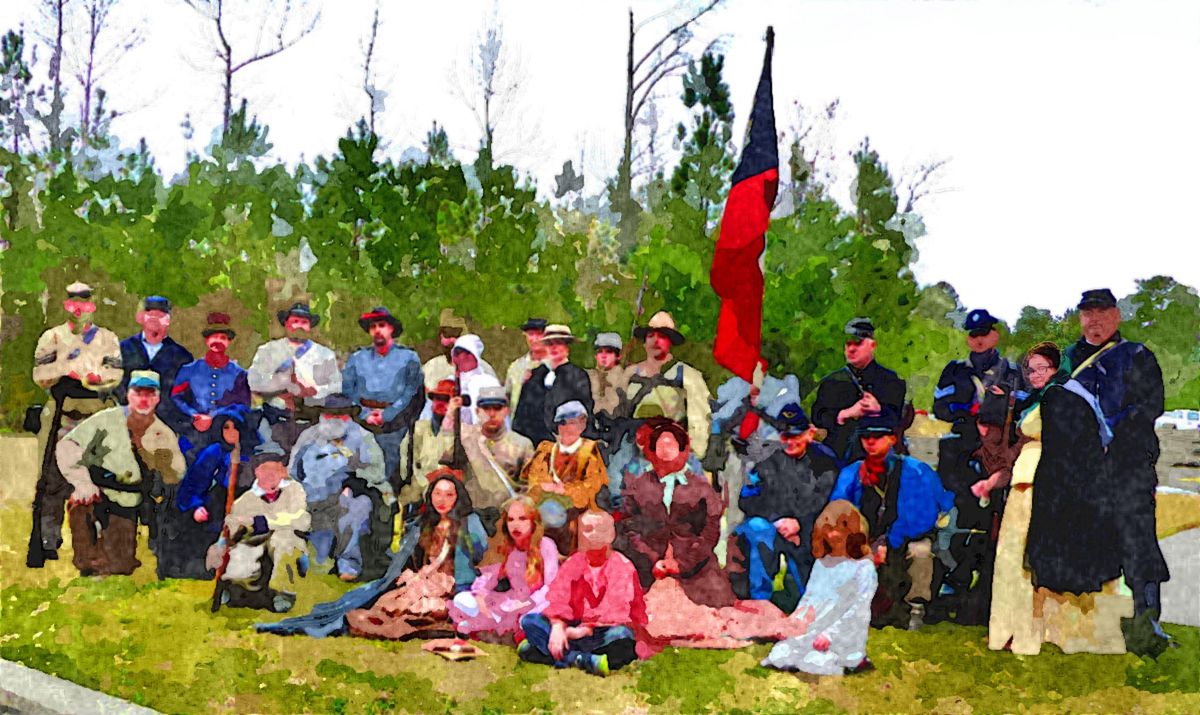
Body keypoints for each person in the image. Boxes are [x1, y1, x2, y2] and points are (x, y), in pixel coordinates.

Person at [990, 342, 1130, 655]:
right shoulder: (1041, 398)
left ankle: (1037, 631)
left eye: (1043, 368)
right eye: (1031, 368)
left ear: (1056, 368)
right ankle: (1017, 628)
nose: (1036, 374)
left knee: (1028, 556)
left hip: (1045, 481)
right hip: (1026, 479)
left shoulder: (1062, 396)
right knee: (1014, 558)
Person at [1064, 288, 1172, 652]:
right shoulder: (1069, 359)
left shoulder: (1137, 356)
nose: (1094, 321)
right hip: (1084, 471)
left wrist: (1111, 433)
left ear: (1116, 316)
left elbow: (1150, 406)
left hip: (1129, 469)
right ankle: (1088, 624)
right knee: (1083, 544)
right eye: (1087, 314)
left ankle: (1146, 624)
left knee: (1138, 546)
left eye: (1101, 313)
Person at [929, 308, 1026, 624]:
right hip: (959, 453)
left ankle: (986, 596)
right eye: (973, 334)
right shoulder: (954, 371)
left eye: (984, 333)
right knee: (954, 523)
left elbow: (1024, 409)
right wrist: (971, 408)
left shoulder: (1012, 372)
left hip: (997, 455)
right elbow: (939, 407)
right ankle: (949, 589)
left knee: (994, 525)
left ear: (995, 335)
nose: (979, 339)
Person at [828, 411, 955, 629]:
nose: (870, 441)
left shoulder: (916, 471)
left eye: (877, 436)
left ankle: (916, 607)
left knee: (921, 552)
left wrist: (887, 541)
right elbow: (837, 511)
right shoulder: (852, 472)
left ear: (893, 439)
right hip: (863, 540)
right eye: (865, 436)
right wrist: (861, 542)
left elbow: (922, 518)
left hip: (906, 538)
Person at [55, 370, 186, 576]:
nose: (143, 399)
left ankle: (110, 554)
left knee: (121, 566)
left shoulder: (163, 434)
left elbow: (176, 475)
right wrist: (82, 483)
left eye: (150, 394)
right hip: (95, 489)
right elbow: (67, 445)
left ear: (158, 398)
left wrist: (162, 461)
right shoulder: (106, 419)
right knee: (80, 504)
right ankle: (88, 560)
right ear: (128, 394)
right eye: (138, 392)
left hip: (128, 499)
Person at [30, 281, 123, 562]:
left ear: (92, 305)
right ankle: (48, 539)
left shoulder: (107, 338)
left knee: (100, 477)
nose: (79, 307)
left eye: (84, 301)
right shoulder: (52, 337)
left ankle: (99, 538)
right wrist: (66, 368)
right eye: (73, 301)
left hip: (96, 411)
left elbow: (115, 373)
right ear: (66, 305)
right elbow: (40, 374)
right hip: (61, 409)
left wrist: (96, 377)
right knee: (51, 480)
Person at [347, 470, 488, 639]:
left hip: (447, 585)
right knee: (388, 602)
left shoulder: (464, 525)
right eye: (437, 494)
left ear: (457, 497)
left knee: (425, 608)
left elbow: (470, 556)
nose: (442, 500)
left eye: (449, 495)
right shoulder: (427, 523)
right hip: (425, 579)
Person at [730, 403, 838, 610]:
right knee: (757, 527)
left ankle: (808, 600)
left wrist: (800, 523)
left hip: (809, 530)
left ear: (810, 433)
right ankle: (759, 602)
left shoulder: (825, 460)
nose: (790, 441)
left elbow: (825, 501)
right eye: (785, 436)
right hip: (773, 527)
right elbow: (747, 499)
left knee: (808, 600)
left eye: (796, 435)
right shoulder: (766, 458)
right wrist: (779, 519)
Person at [617, 419, 734, 608]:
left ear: (682, 449)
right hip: (648, 568)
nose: (665, 449)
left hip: (697, 569)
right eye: (660, 444)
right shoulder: (637, 486)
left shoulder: (701, 488)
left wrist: (682, 564)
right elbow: (630, 527)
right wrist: (653, 559)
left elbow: (710, 531)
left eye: (671, 444)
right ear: (652, 449)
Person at [518, 510, 646, 676]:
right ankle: (579, 659)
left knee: (622, 636)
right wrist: (558, 627)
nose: (593, 534)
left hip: (602, 630)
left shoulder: (622, 565)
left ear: (611, 534)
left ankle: (546, 652)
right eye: (587, 529)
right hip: (572, 627)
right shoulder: (574, 562)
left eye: (599, 529)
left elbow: (615, 611)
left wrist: (581, 631)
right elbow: (558, 598)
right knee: (530, 621)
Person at [762, 501, 878, 676]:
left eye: (838, 533)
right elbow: (810, 597)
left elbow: (858, 608)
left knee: (814, 662)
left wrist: (829, 635)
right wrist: (794, 622)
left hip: (842, 634)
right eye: (828, 531)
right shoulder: (823, 562)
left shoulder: (863, 568)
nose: (832, 536)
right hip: (814, 627)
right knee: (780, 655)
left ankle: (853, 660)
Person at [290, 395, 393, 581]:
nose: (335, 419)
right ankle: (316, 559)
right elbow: (292, 471)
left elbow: (377, 472)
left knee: (358, 506)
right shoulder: (308, 436)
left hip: (345, 497)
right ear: (322, 415)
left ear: (349, 416)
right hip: (312, 500)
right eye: (329, 415)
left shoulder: (363, 437)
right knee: (318, 564)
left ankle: (349, 564)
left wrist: (353, 478)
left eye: (341, 415)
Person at [450, 496, 561, 640]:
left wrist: (528, 602)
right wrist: (480, 596)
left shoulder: (546, 545)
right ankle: (491, 623)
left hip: (535, 602)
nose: (516, 525)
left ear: (533, 522)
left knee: (532, 615)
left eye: (522, 519)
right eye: (511, 520)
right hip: (509, 601)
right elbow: (486, 578)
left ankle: (506, 627)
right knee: (462, 599)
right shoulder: (505, 546)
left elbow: (551, 586)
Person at [207, 458, 310, 613]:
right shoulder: (245, 500)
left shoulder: (294, 490)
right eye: (265, 471)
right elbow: (232, 531)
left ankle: (283, 594)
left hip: (288, 542)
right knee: (240, 561)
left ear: (283, 471)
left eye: (274, 471)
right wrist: (225, 539)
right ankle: (235, 591)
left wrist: (260, 522)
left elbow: (302, 520)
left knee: (281, 540)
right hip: (254, 543)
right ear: (257, 473)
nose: (270, 475)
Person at [342, 307, 425, 493]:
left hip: (395, 425)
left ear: (391, 329)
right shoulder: (357, 358)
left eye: (382, 325)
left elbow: (412, 392)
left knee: (391, 473)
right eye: (373, 326)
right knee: (358, 469)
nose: (377, 330)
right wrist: (364, 414)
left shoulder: (408, 357)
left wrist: (387, 414)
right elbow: (348, 390)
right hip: (362, 422)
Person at [158, 412, 248, 579]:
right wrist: (196, 506)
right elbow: (194, 483)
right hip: (212, 509)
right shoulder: (213, 453)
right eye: (226, 428)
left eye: (236, 428)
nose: (232, 432)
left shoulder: (248, 455)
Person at [247, 302, 342, 455]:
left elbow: (335, 388)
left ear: (310, 326)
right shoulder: (268, 351)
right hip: (274, 419)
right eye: (295, 321)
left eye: (304, 322)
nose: (299, 326)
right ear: (286, 324)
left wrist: (308, 392)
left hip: (312, 421)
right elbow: (253, 382)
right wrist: (279, 385)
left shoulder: (324, 355)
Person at [811, 318, 906, 466]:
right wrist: (844, 415)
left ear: (872, 345)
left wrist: (879, 409)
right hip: (837, 459)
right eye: (848, 343)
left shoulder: (891, 380)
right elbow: (817, 415)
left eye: (858, 343)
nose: (851, 348)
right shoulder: (832, 381)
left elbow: (898, 420)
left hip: (878, 461)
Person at [621, 311, 712, 460]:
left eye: (662, 336)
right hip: (633, 454)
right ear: (644, 341)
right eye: (651, 336)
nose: (655, 341)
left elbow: (700, 419)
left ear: (670, 341)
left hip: (672, 454)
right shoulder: (629, 374)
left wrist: (694, 455)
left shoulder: (687, 374)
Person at [521, 401, 609, 553]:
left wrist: (566, 490)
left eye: (574, 423)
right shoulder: (546, 450)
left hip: (576, 517)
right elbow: (533, 480)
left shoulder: (589, 451)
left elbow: (594, 485)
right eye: (563, 423)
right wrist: (545, 486)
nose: (568, 428)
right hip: (545, 513)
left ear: (583, 424)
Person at [442, 385, 535, 512]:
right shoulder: (465, 436)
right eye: (486, 408)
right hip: (472, 516)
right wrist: (450, 417)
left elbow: (530, 489)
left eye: (497, 408)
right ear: (477, 411)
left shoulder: (522, 444)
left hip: (506, 518)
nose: (491, 414)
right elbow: (443, 456)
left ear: (506, 410)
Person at [172, 312, 252, 456]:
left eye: (223, 338)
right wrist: (194, 415)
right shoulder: (189, 370)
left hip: (225, 436)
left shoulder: (239, 374)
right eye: (214, 336)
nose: (218, 341)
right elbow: (176, 398)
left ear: (229, 342)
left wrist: (215, 416)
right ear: (206, 340)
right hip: (193, 434)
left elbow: (244, 406)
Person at [117, 295, 194, 436]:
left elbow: (183, 393)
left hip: (167, 422)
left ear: (168, 321)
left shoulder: (182, 356)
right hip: (127, 418)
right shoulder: (122, 349)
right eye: (150, 314)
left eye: (160, 316)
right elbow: (116, 383)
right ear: (141, 318)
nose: (154, 319)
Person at [513, 324, 594, 447]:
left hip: (565, 445)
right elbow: (521, 416)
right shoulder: (535, 375)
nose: (554, 347)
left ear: (567, 347)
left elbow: (583, 415)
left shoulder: (578, 376)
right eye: (550, 343)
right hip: (533, 447)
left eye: (559, 343)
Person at [398, 379, 458, 505]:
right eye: (437, 398)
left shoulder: (462, 432)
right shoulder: (418, 428)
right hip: (417, 488)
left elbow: (448, 456)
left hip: (446, 492)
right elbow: (405, 460)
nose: (440, 403)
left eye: (445, 399)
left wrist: (450, 419)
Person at [424, 309, 496, 392]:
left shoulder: (484, 370)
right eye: (447, 334)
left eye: (456, 334)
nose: (452, 340)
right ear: (441, 336)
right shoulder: (430, 368)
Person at [504, 317, 548, 412]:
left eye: (539, 334)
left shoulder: (555, 366)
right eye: (531, 334)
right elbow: (507, 398)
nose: (535, 339)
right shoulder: (516, 367)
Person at [588, 332, 629, 420]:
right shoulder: (588, 376)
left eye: (609, 352)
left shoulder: (624, 377)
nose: (603, 356)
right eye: (600, 352)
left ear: (618, 356)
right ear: (595, 356)